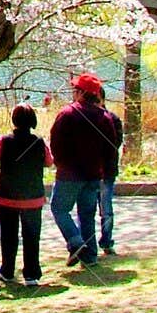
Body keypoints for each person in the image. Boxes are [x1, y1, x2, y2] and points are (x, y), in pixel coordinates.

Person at [0, 104, 53, 284]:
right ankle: (32, 273)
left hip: (8, 198)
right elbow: (49, 162)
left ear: (14, 120)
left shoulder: (3, 141)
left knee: (9, 236)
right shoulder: (40, 142)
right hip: (33, 199)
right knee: (32, 236)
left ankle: (7, 270)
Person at [48, 73, 114, 267]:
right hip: (93, 174)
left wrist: (60, 163)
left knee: (59, 208)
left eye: (76, 90)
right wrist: (104, 170)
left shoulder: (67, 114)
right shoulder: (105, 118)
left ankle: (75, 241)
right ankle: (90, 255)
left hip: (69, 174)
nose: (73, 93)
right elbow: (110, 148)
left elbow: (56, 143)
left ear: (82, 93)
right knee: (87, 215)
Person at [95, 85, 124, 255]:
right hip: (90, 172)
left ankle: (106, 240)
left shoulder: (112, 119)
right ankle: (88, 243)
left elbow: (115, 143)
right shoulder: (86, 117)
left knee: (106, 209)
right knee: (88, 208)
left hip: (106, 172)